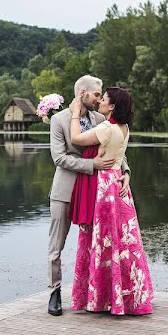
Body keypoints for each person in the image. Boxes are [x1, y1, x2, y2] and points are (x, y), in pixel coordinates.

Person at [47, 75, 130, 316]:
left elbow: (116, 148)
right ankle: (55, 292)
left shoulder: (100, 118)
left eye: (100, 96)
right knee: (56, 245)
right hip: (66, 189)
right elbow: (59, 158)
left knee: (96, 245)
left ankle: (99, 294)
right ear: (82, 93)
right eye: (96, 94)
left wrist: (126, 171)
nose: (98, 99)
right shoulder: (59, 120)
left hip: (96, 192)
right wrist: (91, 164)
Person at [68, 86, 154, 315]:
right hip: (119, 182)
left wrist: (75, 112)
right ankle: (129, 296)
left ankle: (104, 297)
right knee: (124, 241)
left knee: (105, 241)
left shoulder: (107, 127)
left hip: (105, 186)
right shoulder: (124, 128)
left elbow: (76, 139)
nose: (100, 102)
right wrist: (127, 173)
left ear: (112, 106)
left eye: (103, 99)